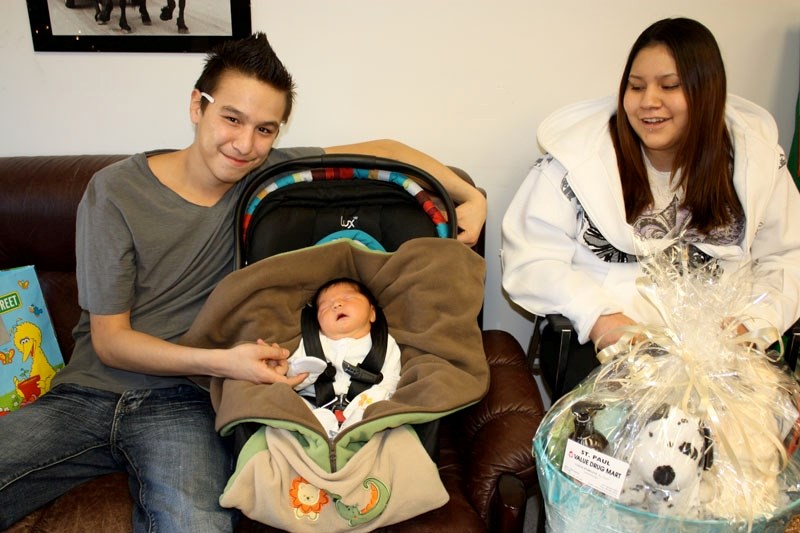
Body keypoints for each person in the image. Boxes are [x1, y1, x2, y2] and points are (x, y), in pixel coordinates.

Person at [0, 33, 486, 532]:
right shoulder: (116, 191)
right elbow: (111, 342)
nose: (244, 144)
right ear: (197, 105)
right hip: (86, 395)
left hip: (185, 403)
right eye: (231, 119)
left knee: (194, 523)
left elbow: (387, 150)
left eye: (264, 130)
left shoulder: (269, 182)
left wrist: (472, 197)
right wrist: (225, 362)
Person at [501, 17, 800, 398]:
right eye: (636, 86)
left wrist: (752, 325)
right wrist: (599, 317)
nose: (648, 102)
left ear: (707, 92)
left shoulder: (753, 162)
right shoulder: (578, 161)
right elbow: (530, 258)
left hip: (724, 355)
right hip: (611, 351)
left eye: (670, 86)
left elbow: (790, 258)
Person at [283, 278, 402, 438]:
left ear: (372, 313)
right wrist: (308, 372)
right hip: (316, 404)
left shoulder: (384, 343)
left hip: (365, 405)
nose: (336, 305)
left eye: (348, 298)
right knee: (292, 405)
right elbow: (293, 378)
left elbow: (391, 379)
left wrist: (373, 397)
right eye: (325, 306)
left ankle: (352, 429)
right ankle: (322, 432)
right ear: (318, 323)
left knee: (380, 405)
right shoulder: (312, 343)